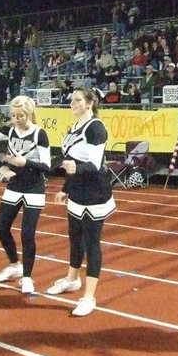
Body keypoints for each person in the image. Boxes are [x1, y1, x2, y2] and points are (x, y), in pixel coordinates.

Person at [49, 87, 116, 317]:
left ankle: (89, 297)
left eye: (78, 100)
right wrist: (66, 188)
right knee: (74, 237)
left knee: (91, 243)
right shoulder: (75, 127)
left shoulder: (96, 127)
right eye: (72, 100)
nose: (72, 103)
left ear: (90, 103)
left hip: (94, 193)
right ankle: (72, 279)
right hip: (77, 191)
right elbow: (72, 161)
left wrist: (75, 168)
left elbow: (95, 164)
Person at [0, 96, 50, 294]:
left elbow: (46, 166)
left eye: (20, 115)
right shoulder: (8, 129)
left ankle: (27, 277)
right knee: (1, 228)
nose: (16, 119)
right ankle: (14, 265)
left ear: (28, 114)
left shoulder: (39, 134)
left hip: (34, 188)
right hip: (14, 185)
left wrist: (25, 163)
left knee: (27, 234)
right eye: (13, 115)